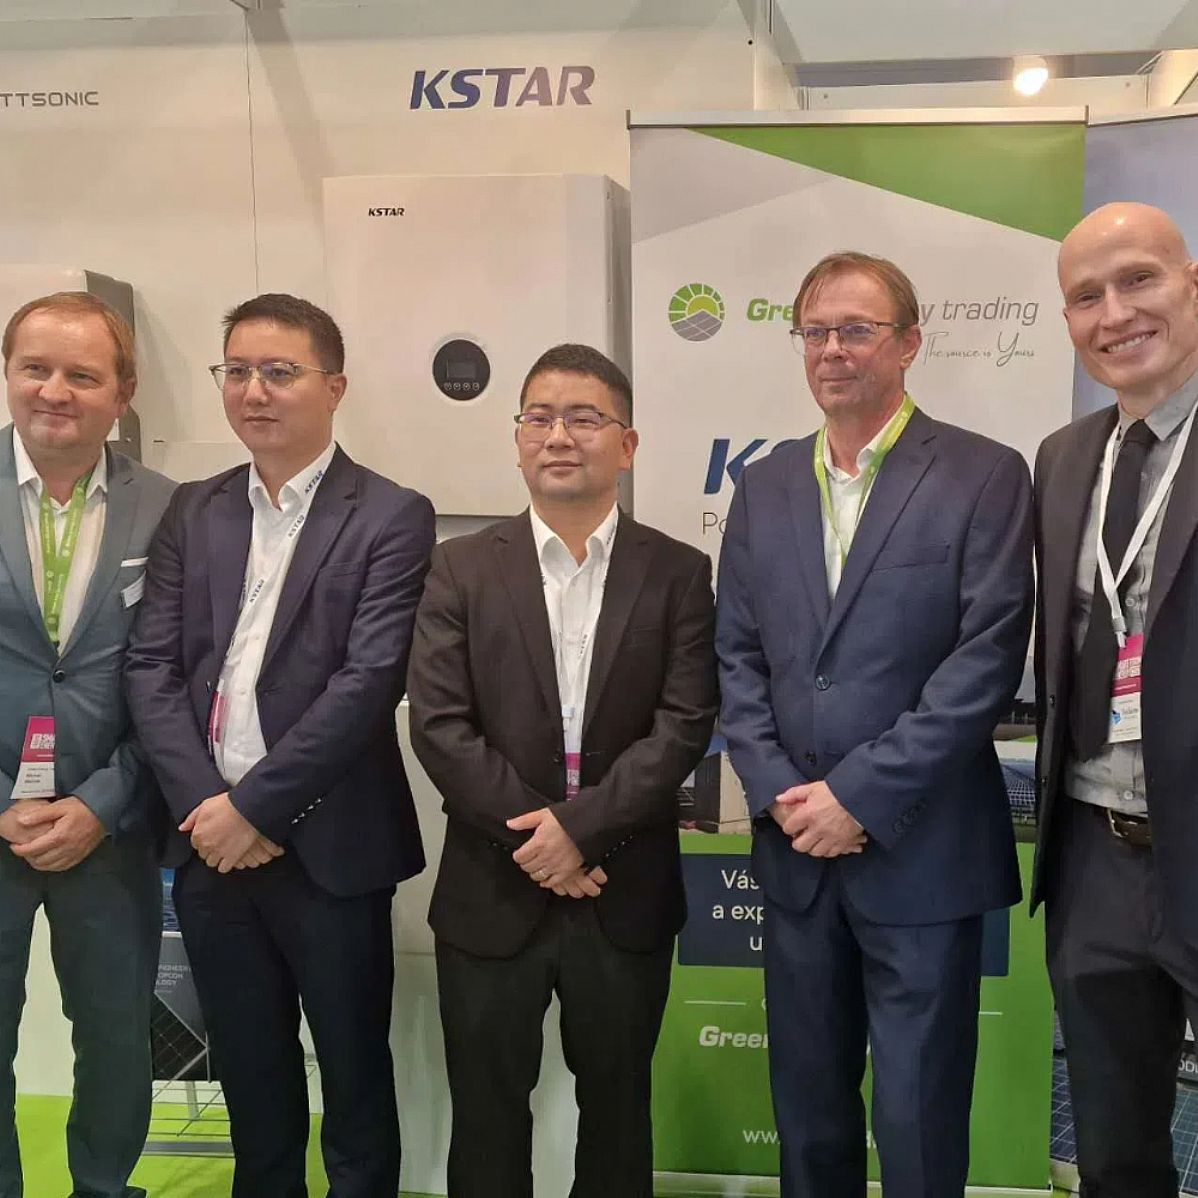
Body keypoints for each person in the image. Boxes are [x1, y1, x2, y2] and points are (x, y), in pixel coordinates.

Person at [717, 251, 1033, 1198]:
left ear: (909, 343)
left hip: (922, 853)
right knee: (809, 1119)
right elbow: (738, 658)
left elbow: (985, 661)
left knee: (917, 1121)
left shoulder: (983, 473)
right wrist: (783, 793)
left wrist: (856, 796)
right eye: (815, 331)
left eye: (856, 329)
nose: (832, 350)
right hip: (797, 856)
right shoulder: (764, 484)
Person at [124, 293, 435, 1198]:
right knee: (250, 1076)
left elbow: (370, 683)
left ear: (334, 387)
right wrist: (206, 806)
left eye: (279, 372)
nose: (254, 391)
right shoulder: (195, 509)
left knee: (353, 1074)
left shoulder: (391, 514)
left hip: (330, 848)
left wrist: (254, 808)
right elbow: (151, 666)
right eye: (238, 371)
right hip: (209, 848)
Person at [407, 343, 717, 1198]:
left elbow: (684, 725)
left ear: (628, 443)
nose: (558, 436)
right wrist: (542, 842)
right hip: (490, 890)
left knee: (617, 1116)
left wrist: (579, 833)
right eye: (539, 417)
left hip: (624, 892)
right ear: (517, 440)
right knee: (487, 1115)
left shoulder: (678, 573)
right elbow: (440, 725)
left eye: (585, 418)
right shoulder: (460, 567)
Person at [1033, 201, 1198, 1197]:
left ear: (1192, 285)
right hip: (1094, 853)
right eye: (1086, 295)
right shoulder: (1063, 459)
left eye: (1139, 279)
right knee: (1116, 1155)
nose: (1115, 313)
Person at [0, 292, 173, 1198]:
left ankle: (104, 1188)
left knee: (113, 1036)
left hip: (109, 824)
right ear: (8, 374)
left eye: (82, 374)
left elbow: (185, 679)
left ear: (122, 392)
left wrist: (103, 803)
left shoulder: (173, 511)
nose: (55, 391)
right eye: (35, 368)